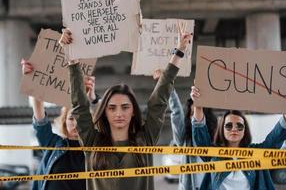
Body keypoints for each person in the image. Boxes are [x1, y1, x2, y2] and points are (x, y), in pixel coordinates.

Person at [60, 23, 192, 190]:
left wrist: (178, 52)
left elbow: (159, 101)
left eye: (125, 107)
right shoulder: (92, 141)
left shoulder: (145, 139)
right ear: (105, 112)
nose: (119, 113)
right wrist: (72, 58)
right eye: (112, 108)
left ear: (133, 112)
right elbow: (79, 104)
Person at [190, 86, 286, 190]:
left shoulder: (256, 153)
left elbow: (275, 139)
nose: (234, 129)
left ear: (245, 130)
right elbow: (200, 135)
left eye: (239, 126)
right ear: (221, 129)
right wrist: (198, 106)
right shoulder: (212, 153)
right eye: (228, 126)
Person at [21, 59, 99, 190]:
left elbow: (108, 119)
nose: (76, 124)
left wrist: (93, 99)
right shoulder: (52, 143)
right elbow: (40, 118)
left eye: (81, 120)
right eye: (71, 119)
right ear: (64, 121)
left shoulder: (97, 149)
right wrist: (32, 80)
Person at [153, 70, 218, 190]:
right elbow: (176, 111)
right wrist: (167, 84)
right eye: (192, 113)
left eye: (198, 111)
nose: (194, 117)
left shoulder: (214, 138)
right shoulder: (184, 140)